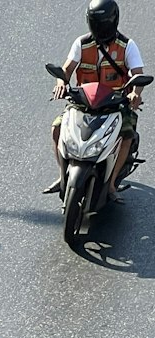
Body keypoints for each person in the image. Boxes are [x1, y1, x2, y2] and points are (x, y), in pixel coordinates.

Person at [45, 0, 144, 201]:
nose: (100, 27)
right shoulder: (81, 44)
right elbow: (66, 70)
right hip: (83, 103)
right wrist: (61, 83)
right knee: (56, 128)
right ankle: (61, 174)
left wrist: (135, 93)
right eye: (96, 22)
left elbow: (138, 74)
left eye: (103, 23)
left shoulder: (127, 46)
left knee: (127, 136)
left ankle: (112, 184)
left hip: (115, 105)